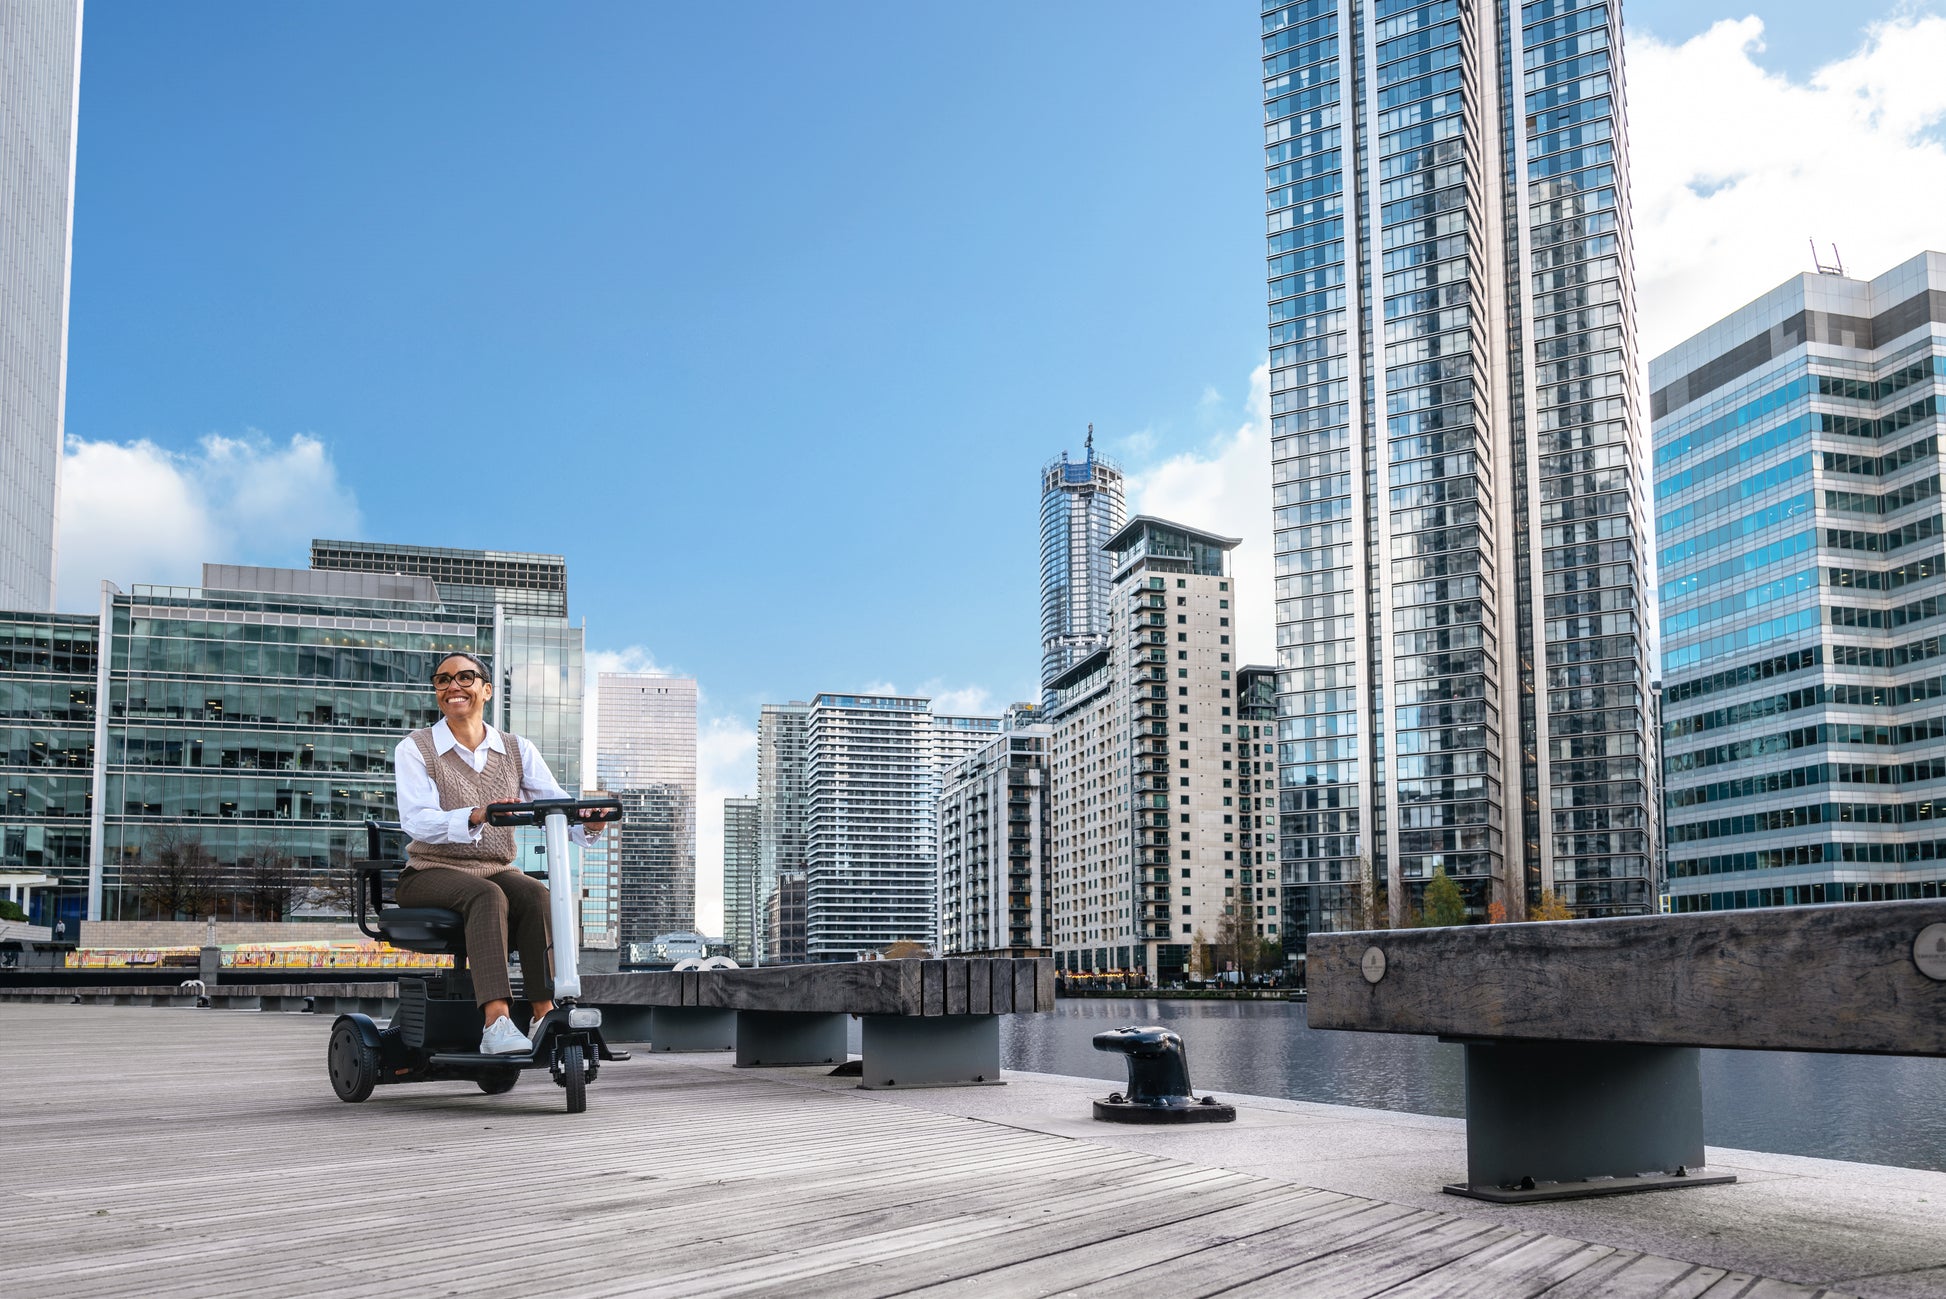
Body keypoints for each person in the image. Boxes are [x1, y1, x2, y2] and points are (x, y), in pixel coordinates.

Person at [393, 651, 602, 1055]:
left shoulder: (517, 749)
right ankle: (497, 1021)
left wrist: (587, 823)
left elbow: (555, 805)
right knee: (488, 895)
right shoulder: (416, 748)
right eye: (443, 680)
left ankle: (543, 1012)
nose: (454, 686)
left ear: (486, 690)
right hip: (428, 871)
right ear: (437, 692)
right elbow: (417, 821)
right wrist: (476, 814)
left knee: (534, 894)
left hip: (494, 867)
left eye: (466, 678)